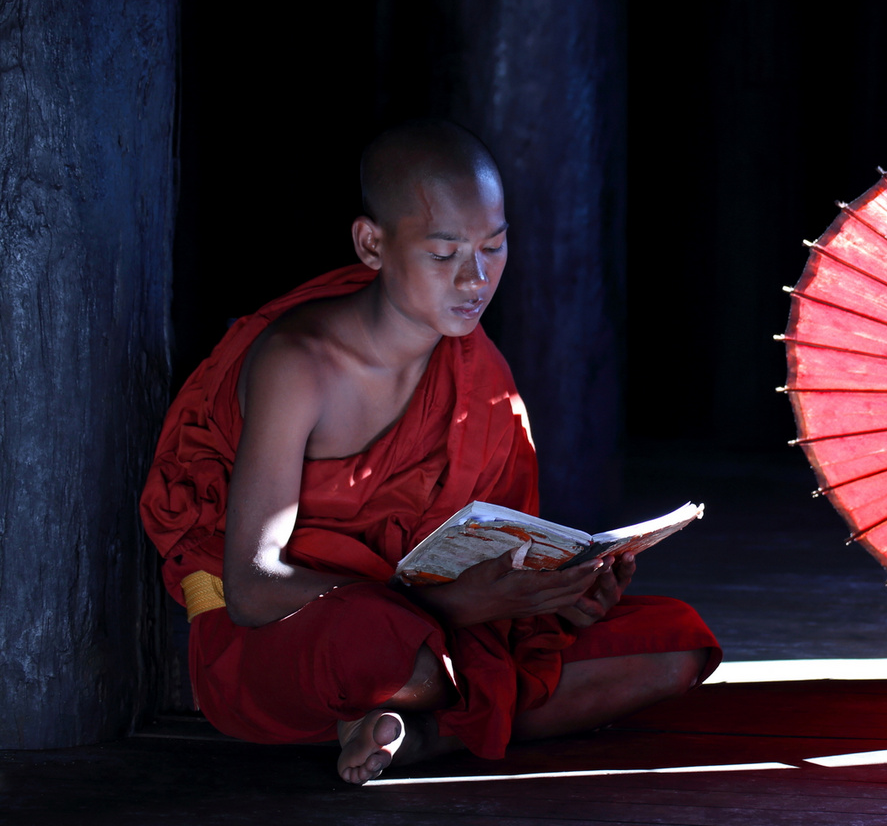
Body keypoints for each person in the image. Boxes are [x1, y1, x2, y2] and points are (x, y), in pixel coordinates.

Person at [140, 120, 719, 784]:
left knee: (673, 647)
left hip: (447, 627)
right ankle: (420, 714)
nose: (475, 278)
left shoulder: (482, 377)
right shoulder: (300, 364)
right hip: (292, 636)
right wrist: (449, 608)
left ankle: (415, 737)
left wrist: (560, 591)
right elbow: (250, 586)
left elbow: (491, 546)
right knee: (394, 651)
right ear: (372, 244)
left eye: (494, 248)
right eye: (444, 255)